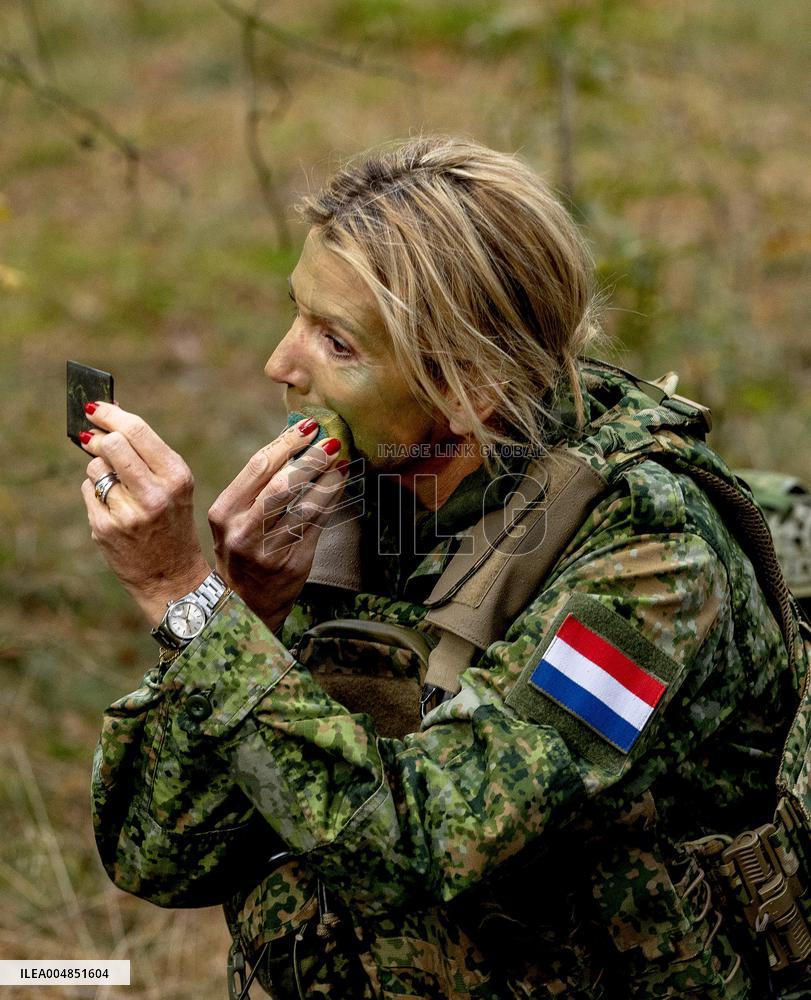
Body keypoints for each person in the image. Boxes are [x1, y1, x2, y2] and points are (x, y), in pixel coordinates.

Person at [80, 136, 810, 999]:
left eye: (336, 342)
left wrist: (181, 597)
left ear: (469, 386)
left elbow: (431, 839)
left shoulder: (651, 558)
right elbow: (155, 855)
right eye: (296, 314)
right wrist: (246, 609)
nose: (280, 365)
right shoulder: (366, 489)